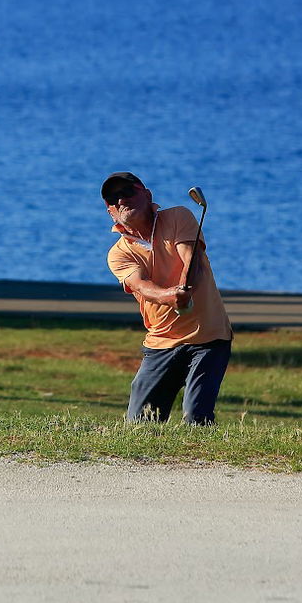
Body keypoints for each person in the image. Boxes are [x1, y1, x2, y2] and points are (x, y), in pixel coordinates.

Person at [101, 171, 233, 424]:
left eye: (127, 192)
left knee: (197, 418)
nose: (120, 200)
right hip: (161, 341)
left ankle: (201, 461)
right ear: (110, 212)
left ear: (146, 195)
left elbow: (190, 260)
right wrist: (170, 296)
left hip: (208, 337)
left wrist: (187, 288)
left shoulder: (178, 216)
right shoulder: (118, 253)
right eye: (112, 198)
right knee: (140, 425)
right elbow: (141, 286)